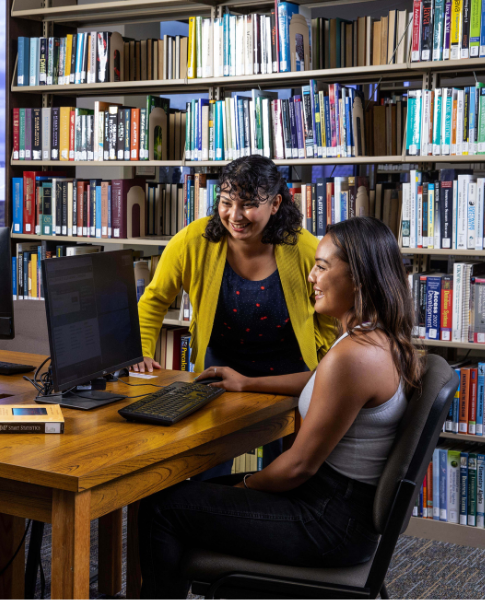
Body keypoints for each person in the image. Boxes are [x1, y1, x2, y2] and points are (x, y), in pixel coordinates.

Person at [137, 216, 423, 599]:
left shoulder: (354, 357)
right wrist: (247, 382)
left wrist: (246, 486)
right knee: (193, 494)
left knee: (163, 507)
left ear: (358, 278)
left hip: (327, 522)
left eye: (322, 266)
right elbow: (320, 380)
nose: (310, 277)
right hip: (341, 510)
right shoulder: (375, 338)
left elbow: (298, 466)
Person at [134, 155, 336, 476]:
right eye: (226, 202)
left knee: (287, 474)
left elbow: (331, 314)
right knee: (205, 471)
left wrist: (322, 361)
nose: (235, 215)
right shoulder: (193, 240)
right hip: (220, 370)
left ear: (275, 204)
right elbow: (154, 299)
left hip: (286, 376)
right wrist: (142, 351)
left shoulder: (306, 247)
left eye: (248, 204)